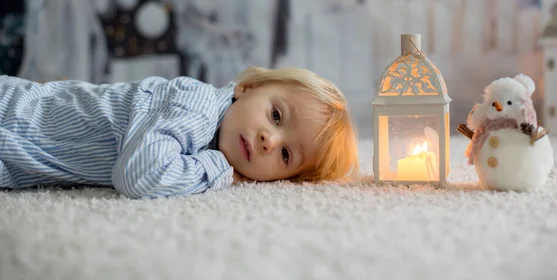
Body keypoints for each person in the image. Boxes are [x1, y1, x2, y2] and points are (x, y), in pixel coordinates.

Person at [0, 66, 359, 199]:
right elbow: (139, 176)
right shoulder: (198, 106)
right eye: (276, 115)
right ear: (246, 88)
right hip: (12, 115)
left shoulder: (210, 130)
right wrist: (217, 168)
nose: (270, 139)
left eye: (285, 155)